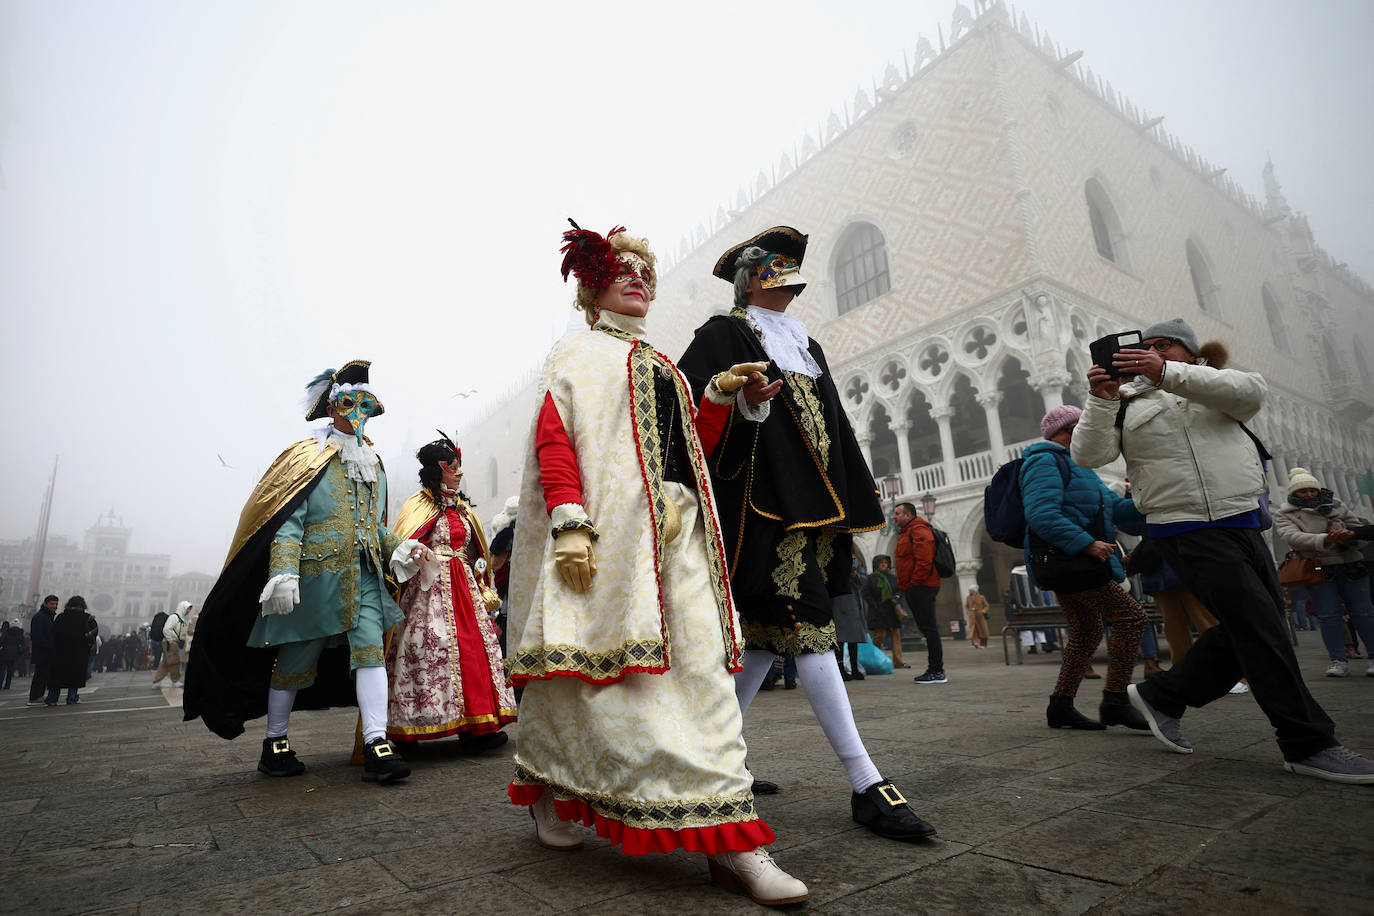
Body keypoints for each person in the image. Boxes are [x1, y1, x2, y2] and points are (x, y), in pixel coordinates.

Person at [505, 222, 808, 906]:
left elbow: (685, 454)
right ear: (589, 290)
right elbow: (557, 441)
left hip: (678, 540)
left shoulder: (661, 362)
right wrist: (569, 522)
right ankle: (551, 787)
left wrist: (722, 398)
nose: (639, 279)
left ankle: (735, 842)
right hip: (610, 542)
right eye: (622, 272)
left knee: (701, 680)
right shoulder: (576, 355)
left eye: (646, 271)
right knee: (591, 684)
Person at [677, 226, 934, 843]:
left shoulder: (807, 343)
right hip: (763, 506)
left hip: (818, 507)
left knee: (769, 635)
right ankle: (866, 783)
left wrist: (850, 495)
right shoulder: (720, 336)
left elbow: (833, 424)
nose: (789, 282)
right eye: (776, 271)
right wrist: (745, 406)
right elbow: (687, 421)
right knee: (809, 624)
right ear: (752, 280)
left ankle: (713, 758)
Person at [1073, 317, 1374, 783]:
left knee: (1257, 624)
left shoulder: (1215, 385)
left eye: (1164, 346)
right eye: (1144, 347)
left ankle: (1162, 696)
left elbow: (1252, 392)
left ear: (1191, 353)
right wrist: (1100, 398)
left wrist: (1167, 373)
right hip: (1183, 525)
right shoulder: (1128, 404)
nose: (1151, 352)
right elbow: (1089, 456)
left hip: (1241, 521)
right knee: (1260, 631)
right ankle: (1308, 742)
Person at [183, 360, 427, 785]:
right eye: (348, 402)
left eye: (365, 403)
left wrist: (399, 547)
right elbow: (287, 521)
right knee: (295, 660)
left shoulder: (375, 462)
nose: (356, 412)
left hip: (365, 578)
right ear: (330, 407)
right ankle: (275, 742)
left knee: (371, 653)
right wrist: (283, 572)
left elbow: (374, 527)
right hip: (314, 578)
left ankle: (376, 742)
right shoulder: (307, 458)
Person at [386, 434, 516, 751]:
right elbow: (402, 541)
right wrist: (415, 554)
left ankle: (476, 727)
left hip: (464, 589)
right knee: (423, 645)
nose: (459, 472)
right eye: (452, 467)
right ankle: (411, 728)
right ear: (436, 471)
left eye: (460, 466)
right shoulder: (418, 506)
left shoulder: (464, 510)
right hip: (425, 589)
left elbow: (478, 552)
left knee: (473, 648)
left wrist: (484, 585)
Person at [1022, 405, 1148, 731]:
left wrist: (1147, 503)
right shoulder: (1044, 461)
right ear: (1064, 433)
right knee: (1132, 618)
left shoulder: (1081, 466)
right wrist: (1087, 543)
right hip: (1073, 563)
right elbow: (1042, 514)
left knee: (1087, 630)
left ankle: (1061, 705)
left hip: (1076, 564)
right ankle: (1115, 700)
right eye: (1080, 427)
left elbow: (1114, 509)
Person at [1273, 467, 1374, 678]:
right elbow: (1292, 537)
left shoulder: (1337, 505)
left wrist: (1350, 535)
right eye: (1303, 491)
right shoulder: (1285, 514)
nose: (1309, 494)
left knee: (1363, 613)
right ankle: (1338, 660)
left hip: (1350, 564)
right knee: (1329, 616)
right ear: (1294, 493)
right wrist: (1325, 539)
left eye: (1312, 490)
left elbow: (1357, 529)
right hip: (1318, 568)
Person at [893, 502, 944, 683]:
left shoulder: (919, 530)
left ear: (908, 515)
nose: (894, 516)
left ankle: (937, 670)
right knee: (926, 628)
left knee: (929, 628)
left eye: (897, 513)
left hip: (923, 586)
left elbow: (924, 562)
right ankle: (935, 669)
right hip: (915, 587)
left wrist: (913, 584)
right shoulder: (907, 532)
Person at [47, 596, 97, 705]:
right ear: (83, 605)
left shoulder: (60, 617)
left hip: (60, 651)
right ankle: (72, 697)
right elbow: (94, 633)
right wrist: (87, 644)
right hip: (79, 652)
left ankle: (52, 698)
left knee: (57, 675)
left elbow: (53, 633)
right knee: (75, 675)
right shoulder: (87, 618)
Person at [863, 556, 908, 667]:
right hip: (878, 611)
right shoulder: (871, 578)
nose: (884, 564)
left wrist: (896, 597)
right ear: (876, 565)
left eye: (885, 563)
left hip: (891, 610)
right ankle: (874, 656)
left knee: (895, 635)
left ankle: (898, 661)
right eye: (881, 563)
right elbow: (866, 593)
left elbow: (899, 590)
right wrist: (874, 604)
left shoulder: (892, 578)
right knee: (880, 635)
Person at [834, 557, 868, 680]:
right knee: (840, 637)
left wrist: (855, 575)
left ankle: (854, 668)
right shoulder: (833, 557)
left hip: (854, 602)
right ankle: (840, 669)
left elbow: (865, 579)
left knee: (853, 637)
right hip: (839, 600)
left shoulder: (855, 560)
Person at [26, 596, 58, 707]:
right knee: (40, 675)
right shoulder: (41, 617)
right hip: (42, 651)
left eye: (55, 604)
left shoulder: (47, 616)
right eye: (52, 604)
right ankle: (34, 698)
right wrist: (49, 646)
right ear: (45, 604)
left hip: (46, 651)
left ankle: (38, 696)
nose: (54, 606)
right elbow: (37, 636)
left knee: (43, 675)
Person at [151, 602, 190, 688]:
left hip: (172, 642)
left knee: (166, 662)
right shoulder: (174, 617)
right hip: (170, 643)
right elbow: (166, 629)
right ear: (182, 608)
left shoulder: (181, 619)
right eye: (188, 608)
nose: (189, 611)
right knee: (174, 661)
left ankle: (157, 681)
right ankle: (175, 680)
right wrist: (171, 641)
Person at [0, 621, 21, 689]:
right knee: (10, 670)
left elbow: (1, 642)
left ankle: (0, 684)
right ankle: (7, 685)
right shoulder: (16, 634)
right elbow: (20, 643)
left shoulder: (5, 633)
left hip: (4, 653)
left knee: (2, 670)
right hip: (13, 653)